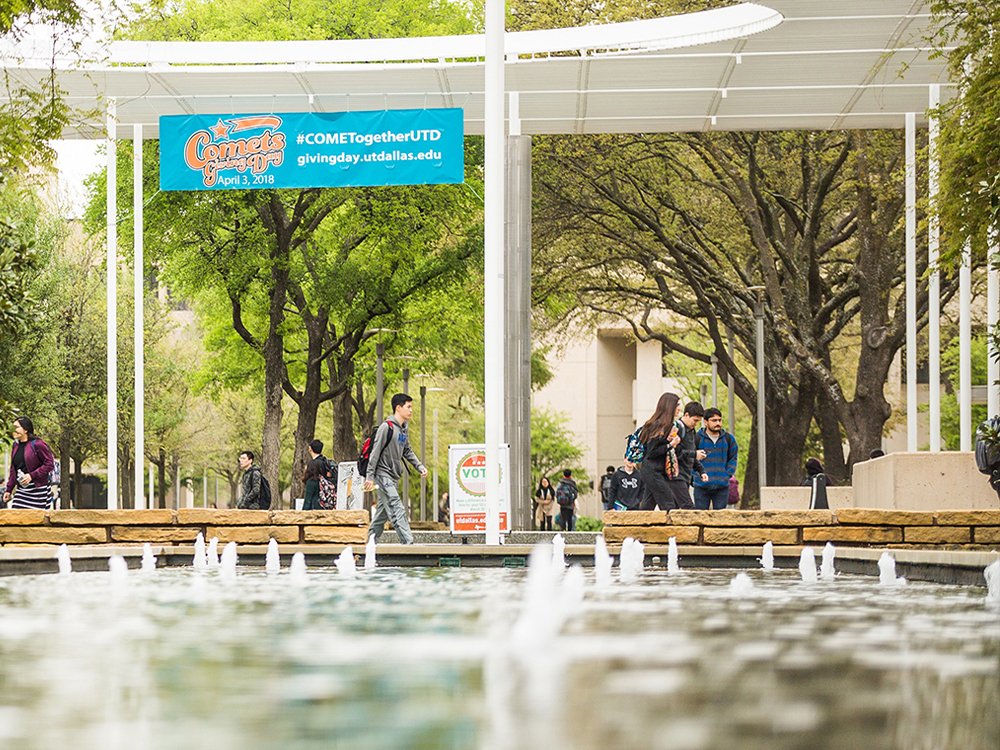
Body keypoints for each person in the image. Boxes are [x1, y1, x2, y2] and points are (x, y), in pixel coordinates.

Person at [364, 393, 427, 545]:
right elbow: (375, 453)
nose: (411, 410)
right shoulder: (387, 427)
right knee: (397, 507)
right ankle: (409, 544)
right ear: (398, 408)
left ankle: (369, 545)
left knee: (382, 514)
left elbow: (407, 451)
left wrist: (419, 466)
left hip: (393, 476)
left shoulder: (404, 429)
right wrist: (370, 476)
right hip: (382, 474)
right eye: (408, 407)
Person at [639, 394, 705, 511]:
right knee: (669, 504)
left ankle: (639, 528)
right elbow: (652, 452)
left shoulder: (669, 426)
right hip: (652, 470)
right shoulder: (657, 425)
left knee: (647, 506)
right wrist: (670, 445)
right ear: (669, 406)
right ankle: (670, 529)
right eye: (677, 405)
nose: (679, 408)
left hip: (660, 470)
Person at [3, 417, 55, 510]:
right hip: (22, 489)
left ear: (26, 429)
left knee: (36, 519)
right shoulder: (16, 445)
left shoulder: (38, 444)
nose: (13, 430)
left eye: (17, 427)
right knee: (16, 514)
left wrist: (31, 475)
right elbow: (13, 469)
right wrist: (9, 489)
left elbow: (49, 463)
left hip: (38, 489)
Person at [693, 407, 739, 510]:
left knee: (720, 520)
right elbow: (690, 458)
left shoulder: (728, 438)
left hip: (722, 487)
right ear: (705, 422)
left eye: (719, 420)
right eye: (714, 420)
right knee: (700, 518)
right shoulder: (697, 438)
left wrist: (727, 474)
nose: (717, 423)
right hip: (701, 486)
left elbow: (733, 458)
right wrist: (695, 476)